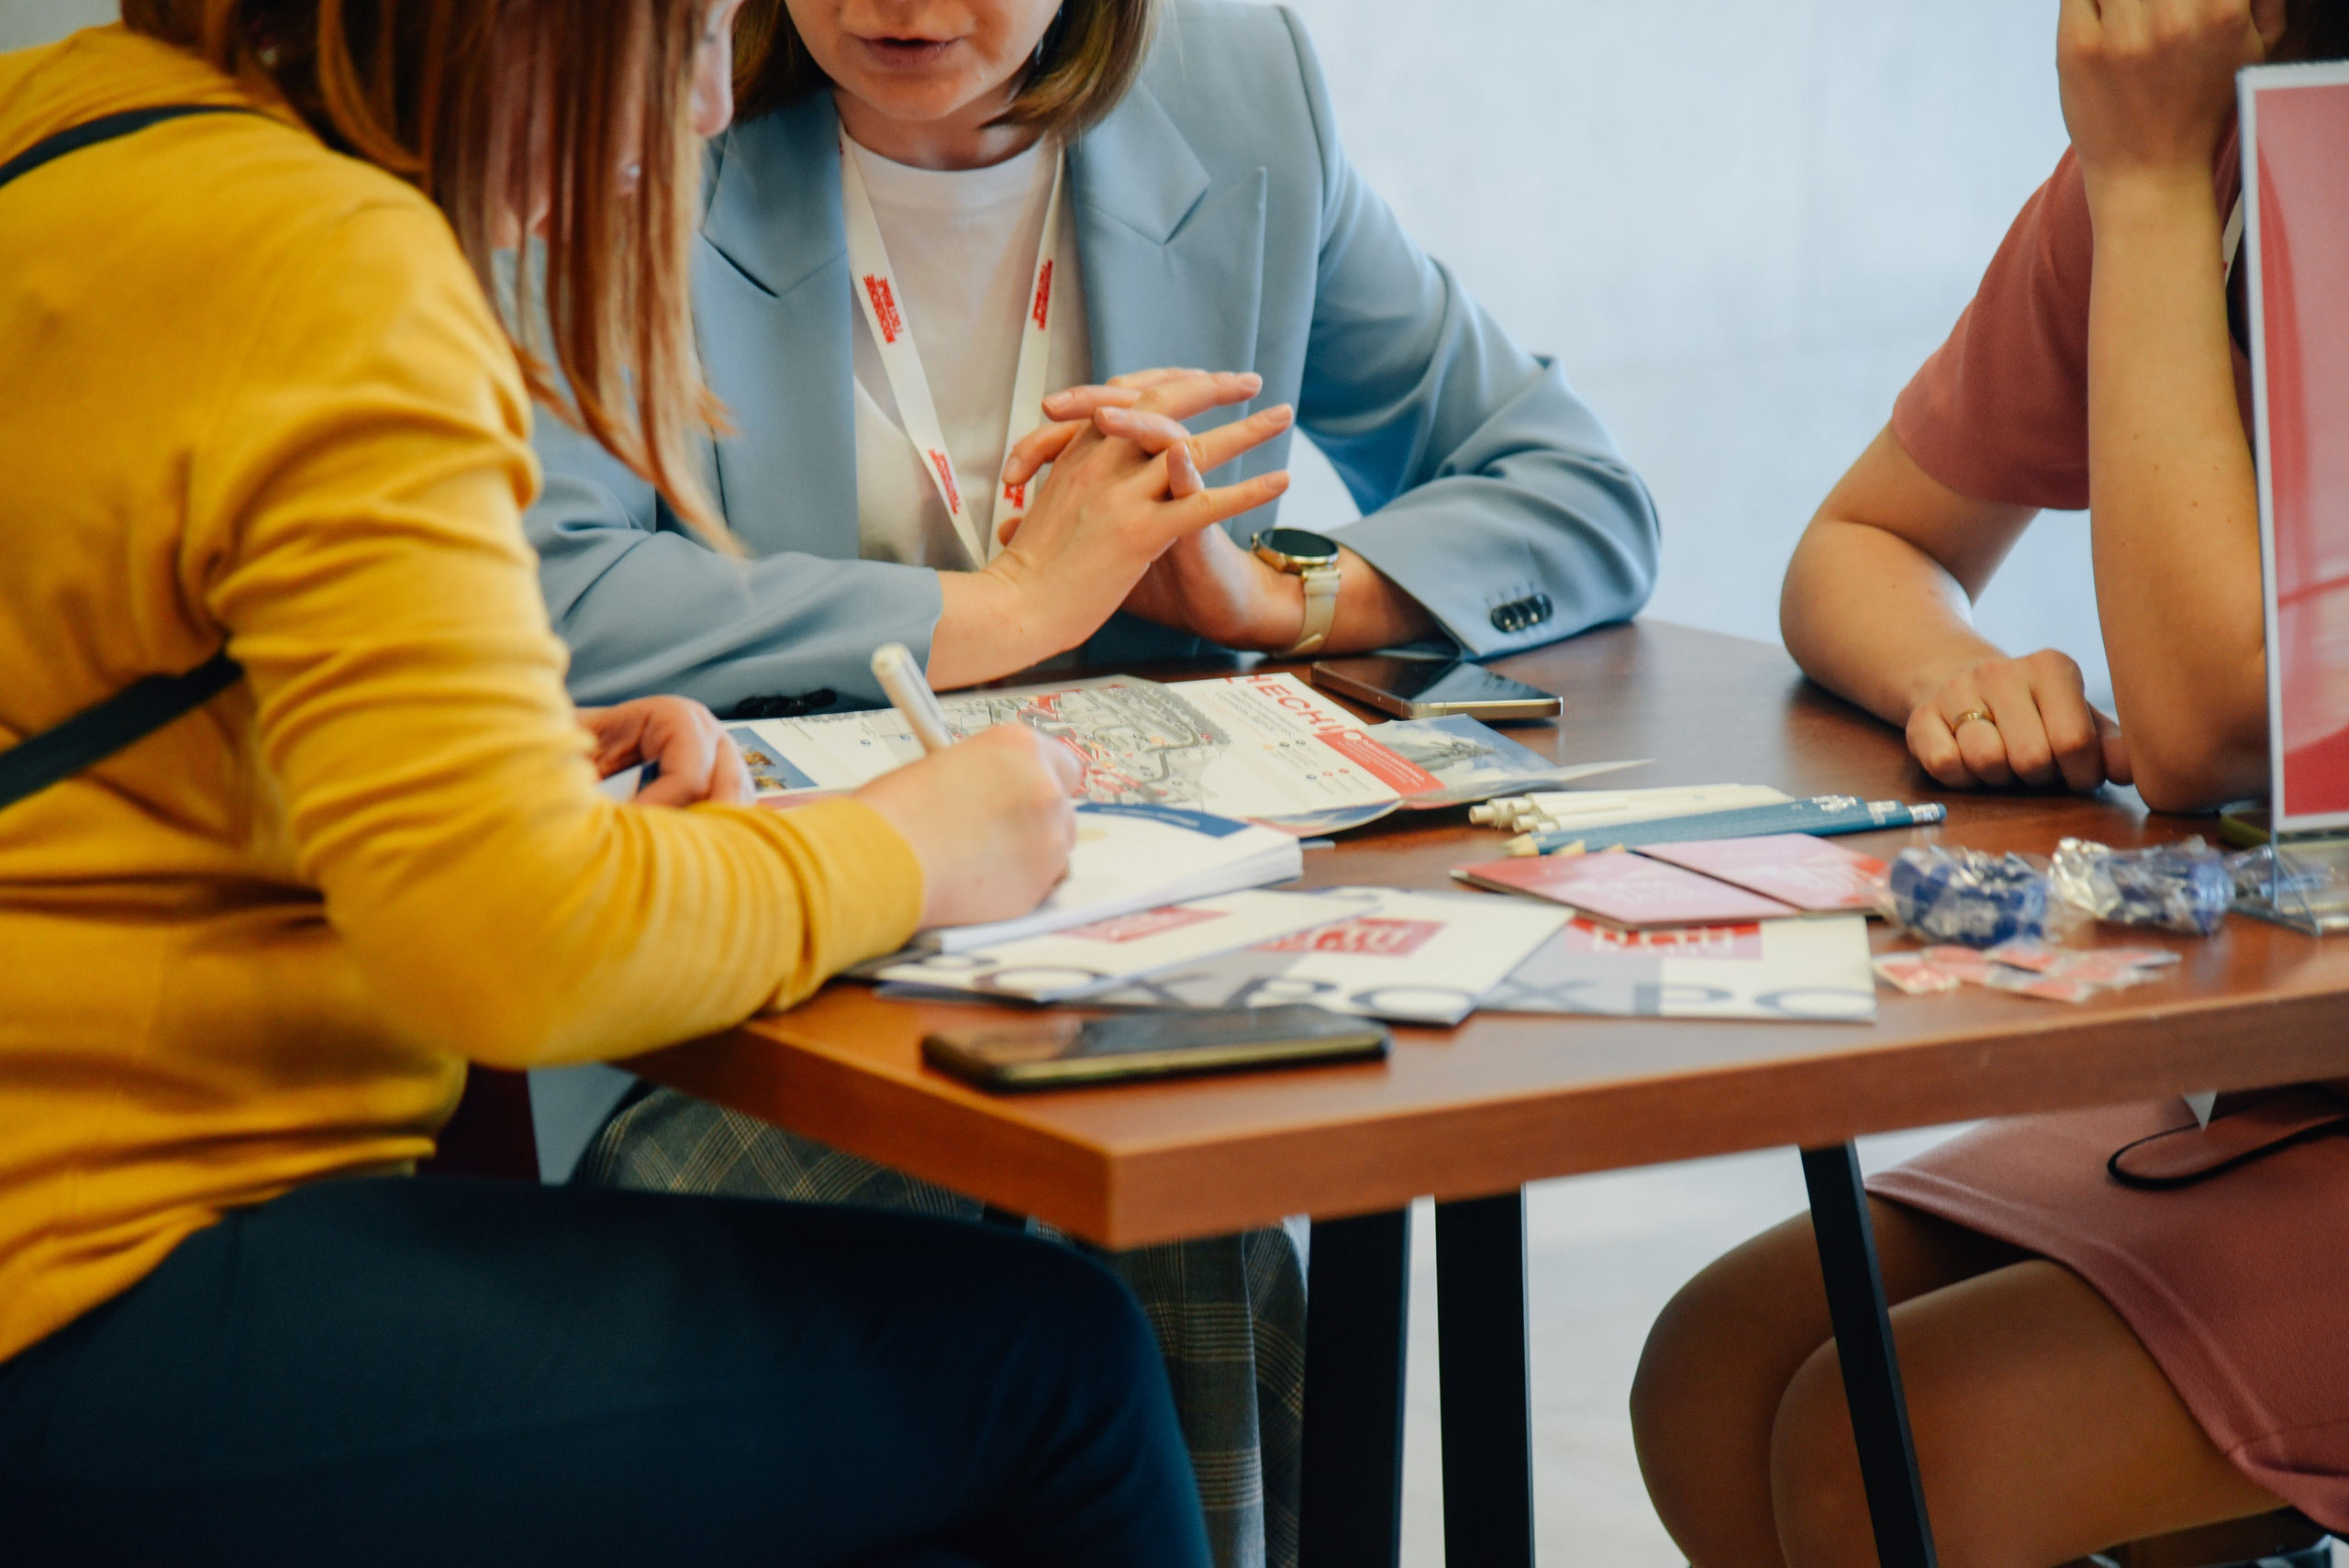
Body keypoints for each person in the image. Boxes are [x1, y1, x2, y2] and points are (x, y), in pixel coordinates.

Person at [0, 5, 1219, 1563]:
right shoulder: (337, 262)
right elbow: (511, 946)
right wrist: (906, 846)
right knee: (1061, 1372)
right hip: (101, 1292)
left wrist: (483, 765)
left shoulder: (63, 131)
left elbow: (110, 706)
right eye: (691, 31)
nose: (711, 104)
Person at [529, 5, 1654, 1562]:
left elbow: (1577, 492)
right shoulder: (645, 89)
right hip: (767, 992)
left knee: (1171, 1196)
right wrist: (992, 613)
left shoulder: (1236, 82)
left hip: (1132, 960)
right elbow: (540, 586)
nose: (893, 5)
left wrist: (1280, 596)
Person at [1632, 3, 2349, 1566]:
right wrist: (1955, 669)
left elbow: (2222, 718)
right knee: (1715, 1366)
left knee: (1889, 1448)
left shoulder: (2169, 153)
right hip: (2273, 1054)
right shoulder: (2187, 139)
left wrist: (2149, 181)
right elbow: (1864, 544)